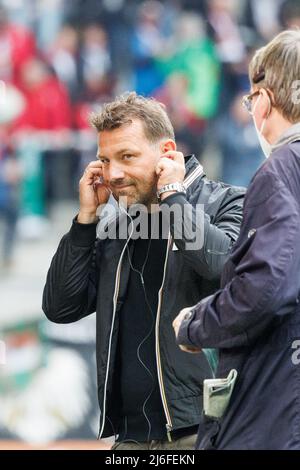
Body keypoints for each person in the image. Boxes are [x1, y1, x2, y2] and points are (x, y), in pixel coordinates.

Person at [42, 92, 245, 450]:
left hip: (201, 431)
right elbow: (61, 306)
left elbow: (220, 267)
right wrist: (85, 220)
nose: (113, 173)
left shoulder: (228, 201)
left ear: (167, 153)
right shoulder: (114, 226)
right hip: (130, 437)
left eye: (127, 156)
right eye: (104, 159)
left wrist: (173, 195)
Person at [173, 29, 300, 450]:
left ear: (264, 100)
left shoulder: (280, 172)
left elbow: (264, 287)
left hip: (278, 403)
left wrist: (196, 324)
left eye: (250, 100)